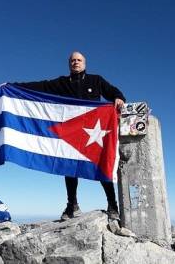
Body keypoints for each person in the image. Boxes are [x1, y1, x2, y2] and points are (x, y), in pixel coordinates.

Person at [8, 51, 126, 220]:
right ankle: (72, 206)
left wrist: (118, 97)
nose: (75, 62)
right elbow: (41, 86)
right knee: (69, 168)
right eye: (72, 60)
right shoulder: (62, 83)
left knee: (102, 166)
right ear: (69, 64)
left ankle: (113, 206)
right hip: (72, 132)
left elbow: (114, 91)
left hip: (95, 134)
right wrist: (14, 87)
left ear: (84, 64)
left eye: (79, 60)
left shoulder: (96, 80)